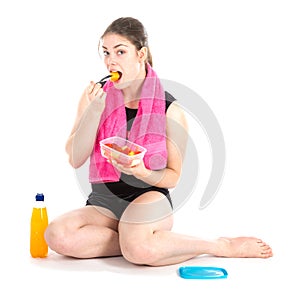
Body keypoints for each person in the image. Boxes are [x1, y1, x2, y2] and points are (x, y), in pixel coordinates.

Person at [45, 17, 273, 266]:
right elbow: (75, 158)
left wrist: (142, 171)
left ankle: (219, 245)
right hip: (104, 202)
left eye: (121, 52)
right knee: (57, 235)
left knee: (138, 249)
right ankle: (136, 240)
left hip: (149, 197)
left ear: (141, 54)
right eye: (107, 52)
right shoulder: (95, 96)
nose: (111, 60)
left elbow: (173, 177)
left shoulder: (169, 109)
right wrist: (93, 112)